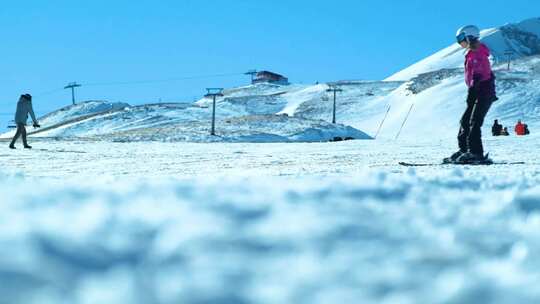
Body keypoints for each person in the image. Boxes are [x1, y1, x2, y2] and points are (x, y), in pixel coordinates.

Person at [444, 25, 498, 164]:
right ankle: (465, 150)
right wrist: (472, 90)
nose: (459, 42)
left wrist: (475, 85)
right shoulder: (471, 52)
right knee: (465, 121)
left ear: (469, 37)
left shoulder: (478, 51)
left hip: (484, 92)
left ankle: (475, 153)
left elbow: (482, 71)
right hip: (476, 91)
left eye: (461, 38)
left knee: (474, 122)